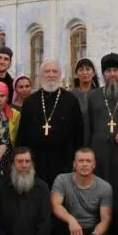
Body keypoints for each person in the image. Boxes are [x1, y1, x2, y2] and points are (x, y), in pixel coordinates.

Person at [17, 59, 83, 188]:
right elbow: (22, 133)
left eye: (55, 71)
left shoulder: (71, 100)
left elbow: (78, 132)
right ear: (41, 75)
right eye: (47, 71)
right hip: (36, 159)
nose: (51, 75)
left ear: (60, 75)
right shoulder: (30, 101)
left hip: (64, 159)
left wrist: (77, 158)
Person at [50, 148, 114, 235]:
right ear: (74, 164)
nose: (84, 164)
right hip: (71, 229)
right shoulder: (62, 180)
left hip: (92, 229)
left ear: (94, 164)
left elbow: (106, 219)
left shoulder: (105, 187)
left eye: (88, 161)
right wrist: (71, 220)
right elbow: (55, 205)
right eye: (81, 161)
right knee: (54, 229)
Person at [87, 53, 118, 192]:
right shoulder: (93, 95)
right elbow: (87, 126)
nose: (112, 74)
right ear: (103, 74)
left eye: (116, 70)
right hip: (98, 152)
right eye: (108, 71)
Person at [70, 57, 100, 144]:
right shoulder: (70, 95)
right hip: (75, 138)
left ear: (93, 73)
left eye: (88, 69)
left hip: (95, 139)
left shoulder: (100, 94)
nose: (85, 73)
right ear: (76, 74)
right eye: (81, 70)